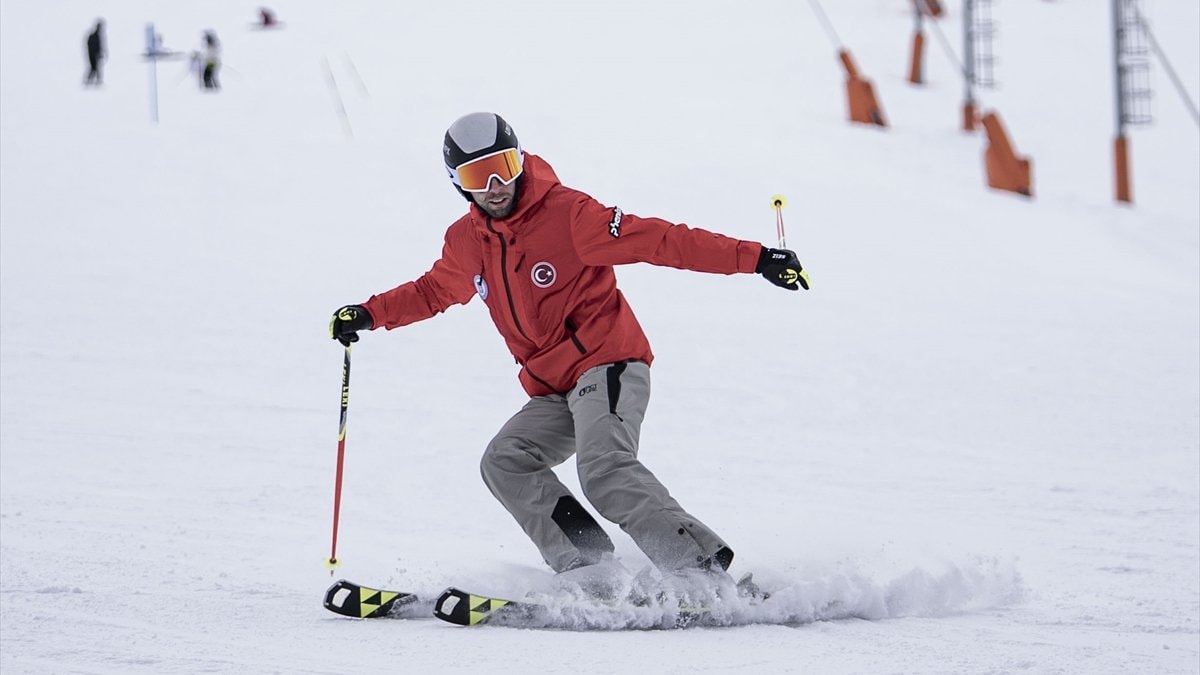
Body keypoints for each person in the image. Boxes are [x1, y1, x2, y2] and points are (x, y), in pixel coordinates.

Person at [330, 112, 809, 582]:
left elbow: (661, 241)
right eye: (480, 174)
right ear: (459, 183)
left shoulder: (570, 215)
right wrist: (372, 314)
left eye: (506, 167)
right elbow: (434, 291)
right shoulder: (466, 241)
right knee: (505, 460)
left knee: (603, 469)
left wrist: (756, 259)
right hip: (553, 386)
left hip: (608, 363)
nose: (497, 184)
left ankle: (697, 569)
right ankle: (590, 566)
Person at [84, 20, 105, 87]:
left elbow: (99, 46)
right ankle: (92, 81)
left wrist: (101, 53)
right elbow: (91, 45)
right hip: (93, 55)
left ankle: (95, 80)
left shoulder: (97, 36)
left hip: (94, 55)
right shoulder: (94, 36)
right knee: (94, 68)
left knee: (95, 68)